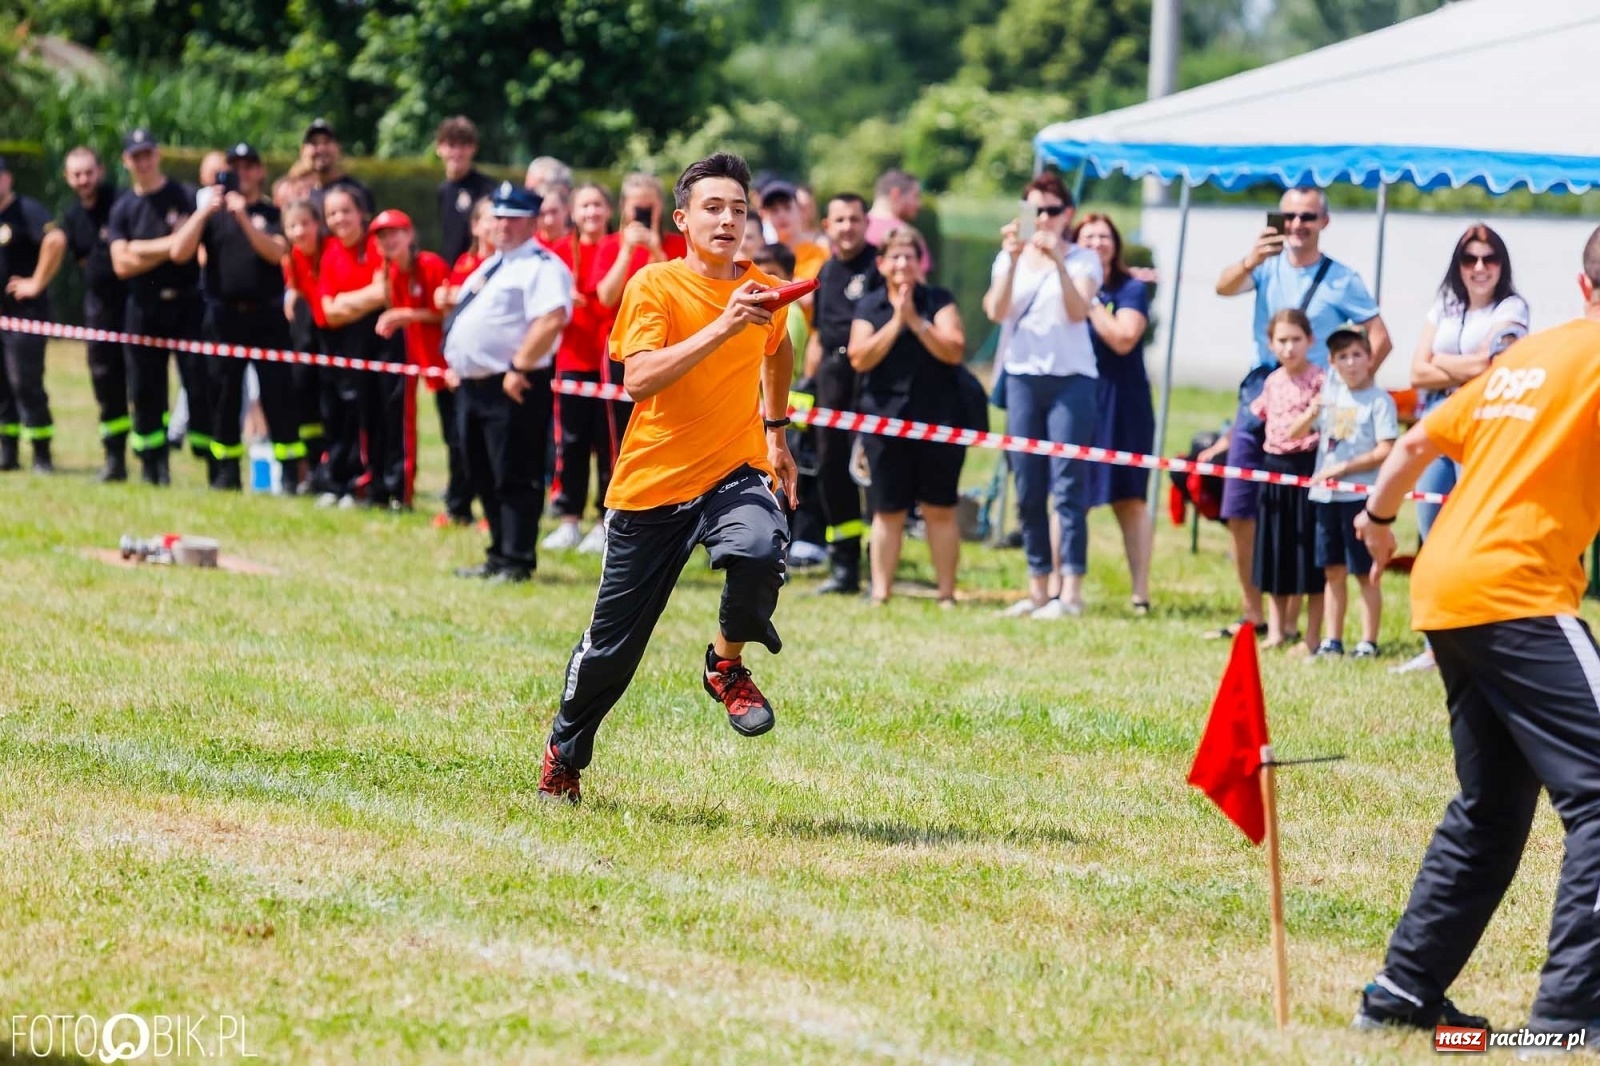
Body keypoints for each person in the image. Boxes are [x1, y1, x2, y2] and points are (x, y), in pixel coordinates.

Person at [1349, 225, 1600, 1047]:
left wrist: (1379, 522)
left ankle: (1401, 992)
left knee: (1491, 807)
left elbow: (1418, 440)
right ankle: (1570, 1018)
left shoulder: (1529, 358)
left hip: (1447, 588)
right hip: (1517, 591)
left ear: (1584, 285)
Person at [537, 152, 799, 804]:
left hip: (732, 468)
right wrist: (725, 323)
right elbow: (639, 378)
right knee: (610, 651)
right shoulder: (654, 285)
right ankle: (565, 753)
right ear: (682, 218)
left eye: (739, 209)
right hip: (652, 486)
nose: (729, 219)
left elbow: (778, 348)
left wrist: (776, 430)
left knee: (762, 548)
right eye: (714, 207)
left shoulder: (761, 287)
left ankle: (726, 665)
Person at [1207, 186, 1390, 641]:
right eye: (1288, 216)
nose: (1296, 225)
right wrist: (1250, 259)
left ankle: (1308, 629)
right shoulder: (1265, 265)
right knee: (1240, 504)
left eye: (1307, 216)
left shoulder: (1342, 278)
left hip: (1316, 400)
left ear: (1323, 222)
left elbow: (1379, 336)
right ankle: (1256, 616)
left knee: (1306, 520)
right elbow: (1221, 287)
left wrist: (1352, 390)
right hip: (1262, 390)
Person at [1397, 223, 1530, 675]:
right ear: (1458, 264)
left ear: (1501, 264)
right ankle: (1439, 647)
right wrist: (1466, 367)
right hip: (1436, 424)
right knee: (1432, 535)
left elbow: (1497, 367)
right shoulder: (1445, 306)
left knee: (1475, 534)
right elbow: (1417, 372)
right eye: (1469, 258)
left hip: (1481, 428)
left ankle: (1482, 641)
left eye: (1489, 258)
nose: (1479, 267)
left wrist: (1443, 365)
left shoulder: (1512, 308)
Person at [984, 172, 1101, 619]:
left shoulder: (1084, 259)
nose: (1044, 219)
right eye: (1035, 210)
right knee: (1028, 485)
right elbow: (996, 311)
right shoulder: (1008, 257)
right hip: (1022, 378)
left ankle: (1069, 589)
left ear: (1068, 214)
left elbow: (1077, 311)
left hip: (1072, 380)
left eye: (1052, 210)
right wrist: (1014, 260)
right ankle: (1037, 586)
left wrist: (1056, 261)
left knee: (1068, 484)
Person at [441, 182, 571, 582]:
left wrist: (519, 366)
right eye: (497, 216)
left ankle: (516, 559)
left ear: (532, 222)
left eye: (512, 218)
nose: (502, 225)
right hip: (474, 385)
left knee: (514, 472)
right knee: (481, 470)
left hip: (512, 383)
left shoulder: (542, 266)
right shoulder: (492, 264)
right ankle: (498, 553)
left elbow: (552, 319)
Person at [169, 142, 301, 491]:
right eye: (234, 166)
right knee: (223, 396)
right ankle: (225, 473)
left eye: (249, 165)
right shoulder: (211, 216)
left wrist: (243, 215)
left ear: (260, 171)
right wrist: (202, 213)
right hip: (222, 318)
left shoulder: (272, 214)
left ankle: (288, 473)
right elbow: (179, 252)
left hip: (268, 318)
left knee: (278, 395)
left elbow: (275, 253)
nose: (242, 172)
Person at [849, 225, 967, 606]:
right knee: (887, 510)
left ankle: (947, 593)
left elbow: (954, 350)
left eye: (910, 257)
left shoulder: (939, 300)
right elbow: (859, 357)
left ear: (921, 264)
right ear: (882, 264)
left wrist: (917, 321)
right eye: (895, 257)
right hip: (883, 421)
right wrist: (897, 322)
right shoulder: (869, 306)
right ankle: (881, 591)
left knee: (940, 508)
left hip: (939, 420)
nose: (902, 264)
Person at [107, 128, 206, 486]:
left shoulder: (184, 196)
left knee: (199, 382)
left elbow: (189, 251)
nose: (143, 162)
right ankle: (153, 467)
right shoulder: (122, 208)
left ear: (158, 155)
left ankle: (211, 465)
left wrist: (141, 249)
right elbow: (121, 264)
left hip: (187, 305)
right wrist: (171, 244)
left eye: (148, 154)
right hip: (143, 309)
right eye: (136, 156)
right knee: (145, 389)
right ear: (126, 161)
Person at [1073, 212, 1155, 614]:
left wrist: (1087, 299)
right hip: (1077, 397)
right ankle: (1065, 587)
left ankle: (1140, 592)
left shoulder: (1130, 288)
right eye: (1088, 236)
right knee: (1071, 495)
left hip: (1124, 401)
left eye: (1104, 236)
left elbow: (1123, 338)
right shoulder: (1063, 283)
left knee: (1130, 498)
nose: (1097, 243)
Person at [1301, 325, 1396, 659]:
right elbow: (1296, 431)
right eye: (1343, 357)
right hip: (1326, 497)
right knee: (1332, 570)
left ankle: (1368, 641)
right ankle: (1333, 640)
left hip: (1360, 498)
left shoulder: (1380, 401)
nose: (1351, 363)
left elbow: (1386, 449)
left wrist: (1343, 469)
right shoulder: (1330, 396)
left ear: (1370, 359)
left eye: (1357, 354)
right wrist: (1312, 411)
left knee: (1365, 573)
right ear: (1332, 362)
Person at [803, 192, 878, 594]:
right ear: (827, 226)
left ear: (866, 223)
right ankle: (845, 566)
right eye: (839, 220)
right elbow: (818, 335)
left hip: (873, 379)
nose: (847, 226)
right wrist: (805, 384)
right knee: (832, 469)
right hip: (832, 378)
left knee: (877, 467)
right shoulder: (826, 272)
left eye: (854, 219)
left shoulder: (880, 266)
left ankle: (883, 563)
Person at [543, 182, 623, 554]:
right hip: (572, 359)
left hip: (611, 361)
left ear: (608, 210)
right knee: (570, 442)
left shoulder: (621, 247)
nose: (591, 213)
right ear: (573, 212)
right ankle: (568, 519)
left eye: (597, 205)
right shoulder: (558, 251)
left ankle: (604, 521)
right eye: (584, 206)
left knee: (610, 443)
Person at [315, 186, 402, 509]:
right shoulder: (330, 252)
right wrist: (357, 300)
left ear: (361, 213)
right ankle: (340, 482)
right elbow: (328, 311)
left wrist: (345, 301)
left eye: (346, 211)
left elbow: (385, 292)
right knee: (341, 415)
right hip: (341, 345)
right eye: (332, 213)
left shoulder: (376, 246)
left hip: (377, 344)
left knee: (376, 417)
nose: (340, 219)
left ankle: (373, 485)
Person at [1249, 309, 1325, 653]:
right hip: (1273, 467)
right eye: (1282, 340)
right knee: (1276, 550)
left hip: (1307, 467)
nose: (1289, 347)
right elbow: (1258, 416)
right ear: (1271, 344)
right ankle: (1277, 630)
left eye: (1296, 339)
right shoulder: (1272, 381)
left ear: (1309, 340)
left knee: (1308, 553)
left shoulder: (1321, 381)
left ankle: (1311, 636)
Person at [373, 209, 453, 512]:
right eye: (382, 236)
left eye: (395, 233)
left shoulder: (430, 264)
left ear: (410, 235)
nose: (389, 241)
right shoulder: (392, 273)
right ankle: (403, 493)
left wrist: (406, 315)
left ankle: (460, 501)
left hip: (446, 361)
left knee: (455, 435)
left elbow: (447, 311)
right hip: (419, 360)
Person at [62, 146, 130, 481]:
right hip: (98, 308)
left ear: (100, 171)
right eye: (76, 174)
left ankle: (154, 464)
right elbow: (82, 261)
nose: (83, 180)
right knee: (105, 382)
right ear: (67, 178)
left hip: (131, 304)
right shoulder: (73, 216)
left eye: (88, 172)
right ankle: (114, 459)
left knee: (143, 380)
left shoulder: (120, 202)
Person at [0, 156, 66, 474]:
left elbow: (56, 239)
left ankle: (41, 455)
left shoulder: (27, 209)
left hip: (24, 316)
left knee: (26, 384)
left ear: (8, 178)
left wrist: (37, 282)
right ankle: (7, 452)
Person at [281, 199, 329, 492]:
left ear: (317, 225)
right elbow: (297, 285)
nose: (299, 231)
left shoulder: (331, 252)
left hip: (331, 336)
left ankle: (332, 467)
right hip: (304, 337)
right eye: (292, 226)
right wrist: (293, 292)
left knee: (331, 405)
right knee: (304, 401)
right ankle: (312, 468)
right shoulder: (292, 257)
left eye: (305, 224)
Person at [434, 116, 497, 267]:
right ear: (439, 148)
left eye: (463, 146)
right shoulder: (443, 190)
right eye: (451, 145)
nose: (456, 152)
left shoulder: (487, 188)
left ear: (473, 148)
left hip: (479, 268)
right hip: (452, 270)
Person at [303, 119, 374, 216]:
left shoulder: (357, 192)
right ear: (303, 151)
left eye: (327, 142)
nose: (321, 148)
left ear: (338, 148)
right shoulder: (304, 196)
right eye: (314, 143)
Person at [758, 183, 827, 282]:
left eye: (787, 207)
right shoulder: (763, 257)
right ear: (765, 216)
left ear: (800, 211)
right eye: (774, 210)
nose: (781, 215)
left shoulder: (820, 254)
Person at [865, 169, 925, 268]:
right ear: (895, 194)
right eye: (916, 196)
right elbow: (918, 279)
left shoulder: (850, 230)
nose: (919, 204)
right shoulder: (907, 235)